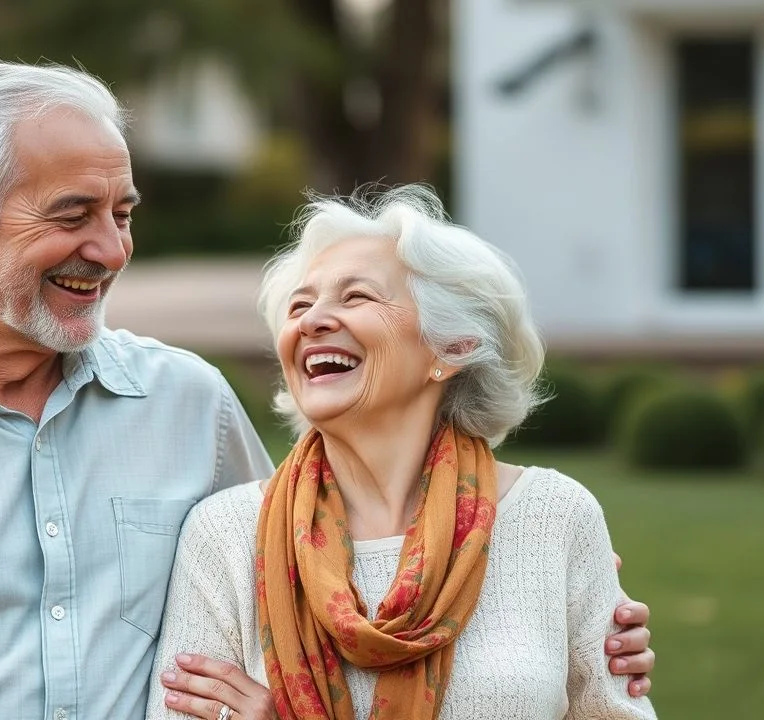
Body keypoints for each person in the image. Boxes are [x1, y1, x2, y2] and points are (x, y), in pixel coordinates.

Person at [0, 62, 653, 719]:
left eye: (122, 213)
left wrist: (543, 611)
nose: (111, 249)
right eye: (73, 215)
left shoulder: (188, 404)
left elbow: (308, 585)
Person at [149, 186, 657, 720]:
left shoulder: (555, 518)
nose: (312, 320)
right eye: (301, 305)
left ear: (450, 347)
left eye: (357, 297)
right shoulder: (225, 535)